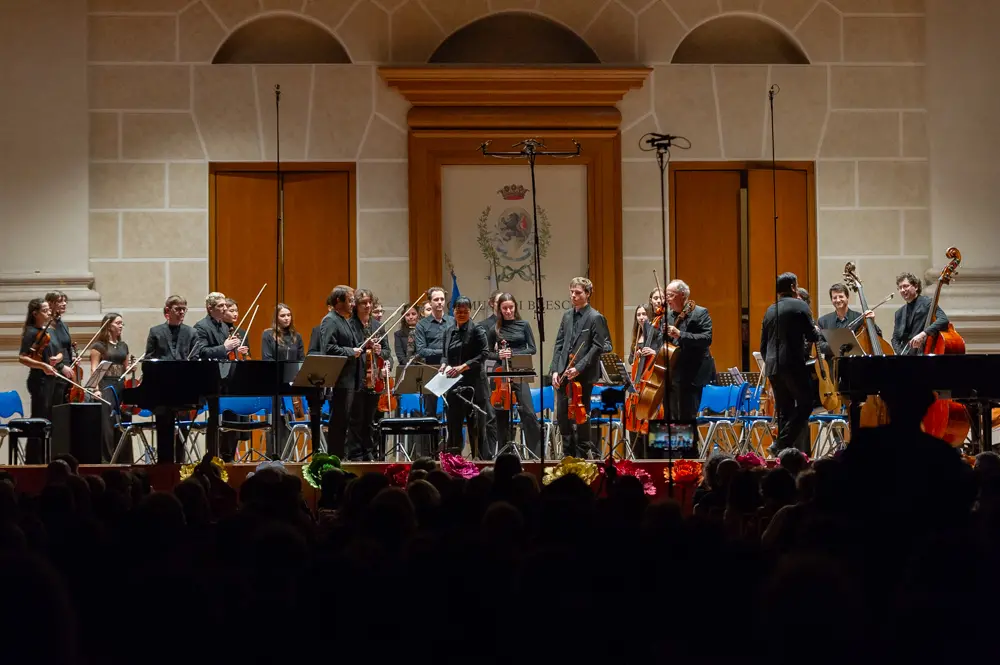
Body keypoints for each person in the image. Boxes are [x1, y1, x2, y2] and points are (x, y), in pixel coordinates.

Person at [550, 277, 609, 459]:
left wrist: (579, 367)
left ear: (588, 294)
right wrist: (555, 370)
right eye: (572, 292)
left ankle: (582, 454)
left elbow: (597, 347)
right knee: (562, 415)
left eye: (578, 292)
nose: (573, 296)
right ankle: (567, 454)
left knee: (581, 414)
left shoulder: (595, 317)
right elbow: (559, 343)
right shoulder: (567, 316)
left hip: (583, 374)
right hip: (564, 372)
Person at [760, 272, 818, 456]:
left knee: (784, 410)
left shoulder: (770, 310)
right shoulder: (800, 305)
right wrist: (816, 331)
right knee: (806, 403)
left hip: (772, 365)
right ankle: (781, 444)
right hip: (792, 364)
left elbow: (763, 345)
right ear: (793, 287)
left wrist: (771, 362)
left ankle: (784, 455)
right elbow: (812, 336)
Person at [485, 293, 541, 458]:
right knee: (501, 415)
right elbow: (487, 353)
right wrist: (499, 355)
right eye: (505, 308)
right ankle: (505, 455)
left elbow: (532, 348)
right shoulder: (494, 329)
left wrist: (513, 353)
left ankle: (535, 455)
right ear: (499, 309)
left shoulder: (524, 325)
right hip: (501, 373)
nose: (508, 311)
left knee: (529, 413)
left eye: (511, 307)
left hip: (519, 371)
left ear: (515, 307)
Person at [661, 279, 715, 424]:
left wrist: (680, 334)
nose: (667, 299)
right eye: (666, 295)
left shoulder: (700, 313)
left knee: (686, 416)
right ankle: (671, 440)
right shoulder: (668, 316)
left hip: (693, 374)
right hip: (672, 373)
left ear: (683, 295)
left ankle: (687, 440)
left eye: (670, 295)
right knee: (670, 416)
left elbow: (706, 338)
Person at [440, 297, 489, 457]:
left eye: (465, 311)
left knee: (477, 429)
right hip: (454, 386)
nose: (461, 314)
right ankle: (454, 463)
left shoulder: (477, 330)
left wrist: (463, 367)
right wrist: (443, 364)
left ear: (470, 312)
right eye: (458, 311)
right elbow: (444, 355)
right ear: (453, 311)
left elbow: (484, 353)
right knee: (454, 428)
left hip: (474, 385)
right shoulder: (448, 331)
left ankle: (480, 462)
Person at [320, 285, 363, 458]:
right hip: (340, 379)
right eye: (350, 300)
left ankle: (340, 457)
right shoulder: (330, 320)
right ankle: (335, 458)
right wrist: (351, 351)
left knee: (345, 422)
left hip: (350, 379)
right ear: (339, 301)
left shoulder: (343, 319)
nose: (353, 304)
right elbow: (328, 348)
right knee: (338, 422)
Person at [348, 288, 391, 461]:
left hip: (374, 379)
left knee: (370, 419)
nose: (367, 306)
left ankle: (368, 452)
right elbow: (350, 349)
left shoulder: (377, 326)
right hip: (357, 377)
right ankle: (355, 454)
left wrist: (380, 351)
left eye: (369, 302)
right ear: (356, 305)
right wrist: (364, 346)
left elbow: (387, 352)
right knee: (356, 419)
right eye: (363, 303)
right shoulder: (350, 325)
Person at [17, 298, 59, 463]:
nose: (49, 313)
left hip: (49, 380)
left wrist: (55, 359)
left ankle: (45, 459)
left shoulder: (47, 331)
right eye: (45, 310)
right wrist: (42, 365)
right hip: (38, 380)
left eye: (49, 310)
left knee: (47, 421)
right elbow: (22, 357)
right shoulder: (31, 332)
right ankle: (34, 460)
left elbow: (56, 353)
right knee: (39, 420)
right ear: (35, 313)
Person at [89, 313, 131, 463]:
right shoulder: (99, 346)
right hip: (105, 385)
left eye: (122, 323)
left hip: (121, 385)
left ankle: (124, 460)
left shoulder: (123, 346)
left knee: (124, 421)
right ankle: (107, 460)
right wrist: (95, 389)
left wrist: (131, 368)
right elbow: (94, 369)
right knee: (107, 423)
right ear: (108, 325)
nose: (121, 326)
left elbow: (125, 367)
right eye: (118, 323)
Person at [414, 286, 453, 424]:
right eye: (436, 299)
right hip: (431, 369)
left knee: (452, 410)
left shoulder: (452, 321)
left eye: (442, 299)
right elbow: (421, 350)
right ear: (430, 302)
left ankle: (451, 438)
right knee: (430, 411)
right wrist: (445, 352)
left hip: (451, 369)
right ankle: (430, 438)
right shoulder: (421, 325)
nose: (440, 302)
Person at [625, 303, 661, 455]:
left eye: (644, 314)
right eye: (638, 314)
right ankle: (637, 455)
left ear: (650, 315)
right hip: (638, 385)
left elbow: (662, 354)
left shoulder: (656, 334)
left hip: (650, 385)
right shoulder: (636, 336)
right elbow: (631, 361)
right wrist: (636, 356)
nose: (641, 317)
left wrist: (653, 352)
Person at [891, 272, 950, 355]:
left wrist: (923, 334)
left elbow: (943, 320)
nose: (902, 290)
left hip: (924, 353)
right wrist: (902, 354)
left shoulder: (927, 303)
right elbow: (895, 339)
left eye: (905, 286)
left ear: (916, 287)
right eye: (900, 288)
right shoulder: (899, 313)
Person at [816, 283, 878, 358]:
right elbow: (819, 345)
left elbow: (877, 337)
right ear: (831, 300)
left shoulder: (860, 318)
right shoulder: (823, 321)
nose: (838, 300)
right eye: (834, 297)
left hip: (855, 362)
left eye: (841, 296)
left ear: (847, 297)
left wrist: (872, 323)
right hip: (833, 363)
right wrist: (839, 346)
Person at [45, 291, 75, 410]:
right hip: (55, 373)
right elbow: (49, 351)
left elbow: (66, 347)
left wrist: (73, 358)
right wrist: (61, 367)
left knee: (66, 409)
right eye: (60, 301)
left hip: (67, 372)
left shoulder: (63, 325)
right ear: (50, 303)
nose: (64, 304)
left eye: (65, 301)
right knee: (56, 408)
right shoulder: (47, 325)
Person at [145, 295, 195, 361]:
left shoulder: (192, 332)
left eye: (184, 309)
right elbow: (149, 360)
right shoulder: (155, 332)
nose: (182, 312)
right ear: (167, 310)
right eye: (178, 309)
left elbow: (195, 359)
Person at [193, 292, 240, 360]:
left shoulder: (224, 326)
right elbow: (201, 352)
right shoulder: (201, 327)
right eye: (221, 305)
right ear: (210, 308)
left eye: (225, 305)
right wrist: (225, 347)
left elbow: (226, 351)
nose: (225, 308)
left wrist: (234, 346)